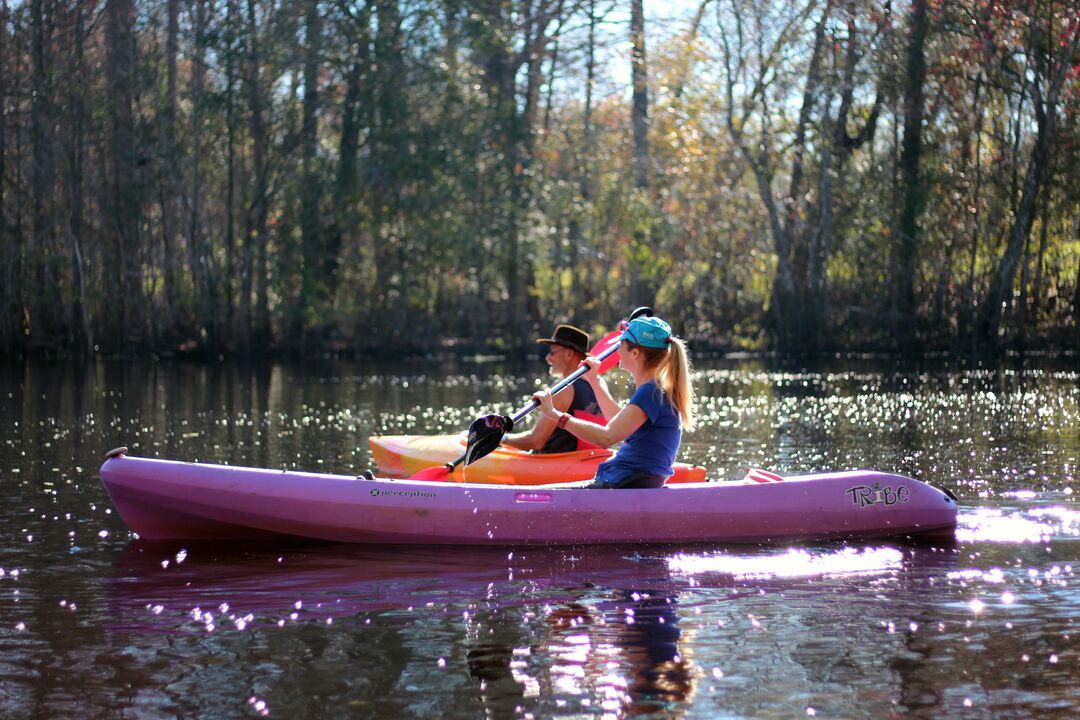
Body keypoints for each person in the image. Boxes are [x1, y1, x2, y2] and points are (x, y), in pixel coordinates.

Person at [532, 315, 694, 489]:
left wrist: (554, 415)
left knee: (539, 495)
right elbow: (617, 422)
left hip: (625, 482)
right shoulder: (657, 389)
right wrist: (594, 381)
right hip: (633, 481)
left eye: (621, 344)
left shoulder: (650, 392)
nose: (617, 351)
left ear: (634, 353)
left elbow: (606, 437)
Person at [502, 324, 606, 454]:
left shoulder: (563, 389)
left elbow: (536, 441)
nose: (547, 358)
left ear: (569, 354)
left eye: (552, 352)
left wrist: (501, 438)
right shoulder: (599, 383)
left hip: (558, 464)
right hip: (590, 458)